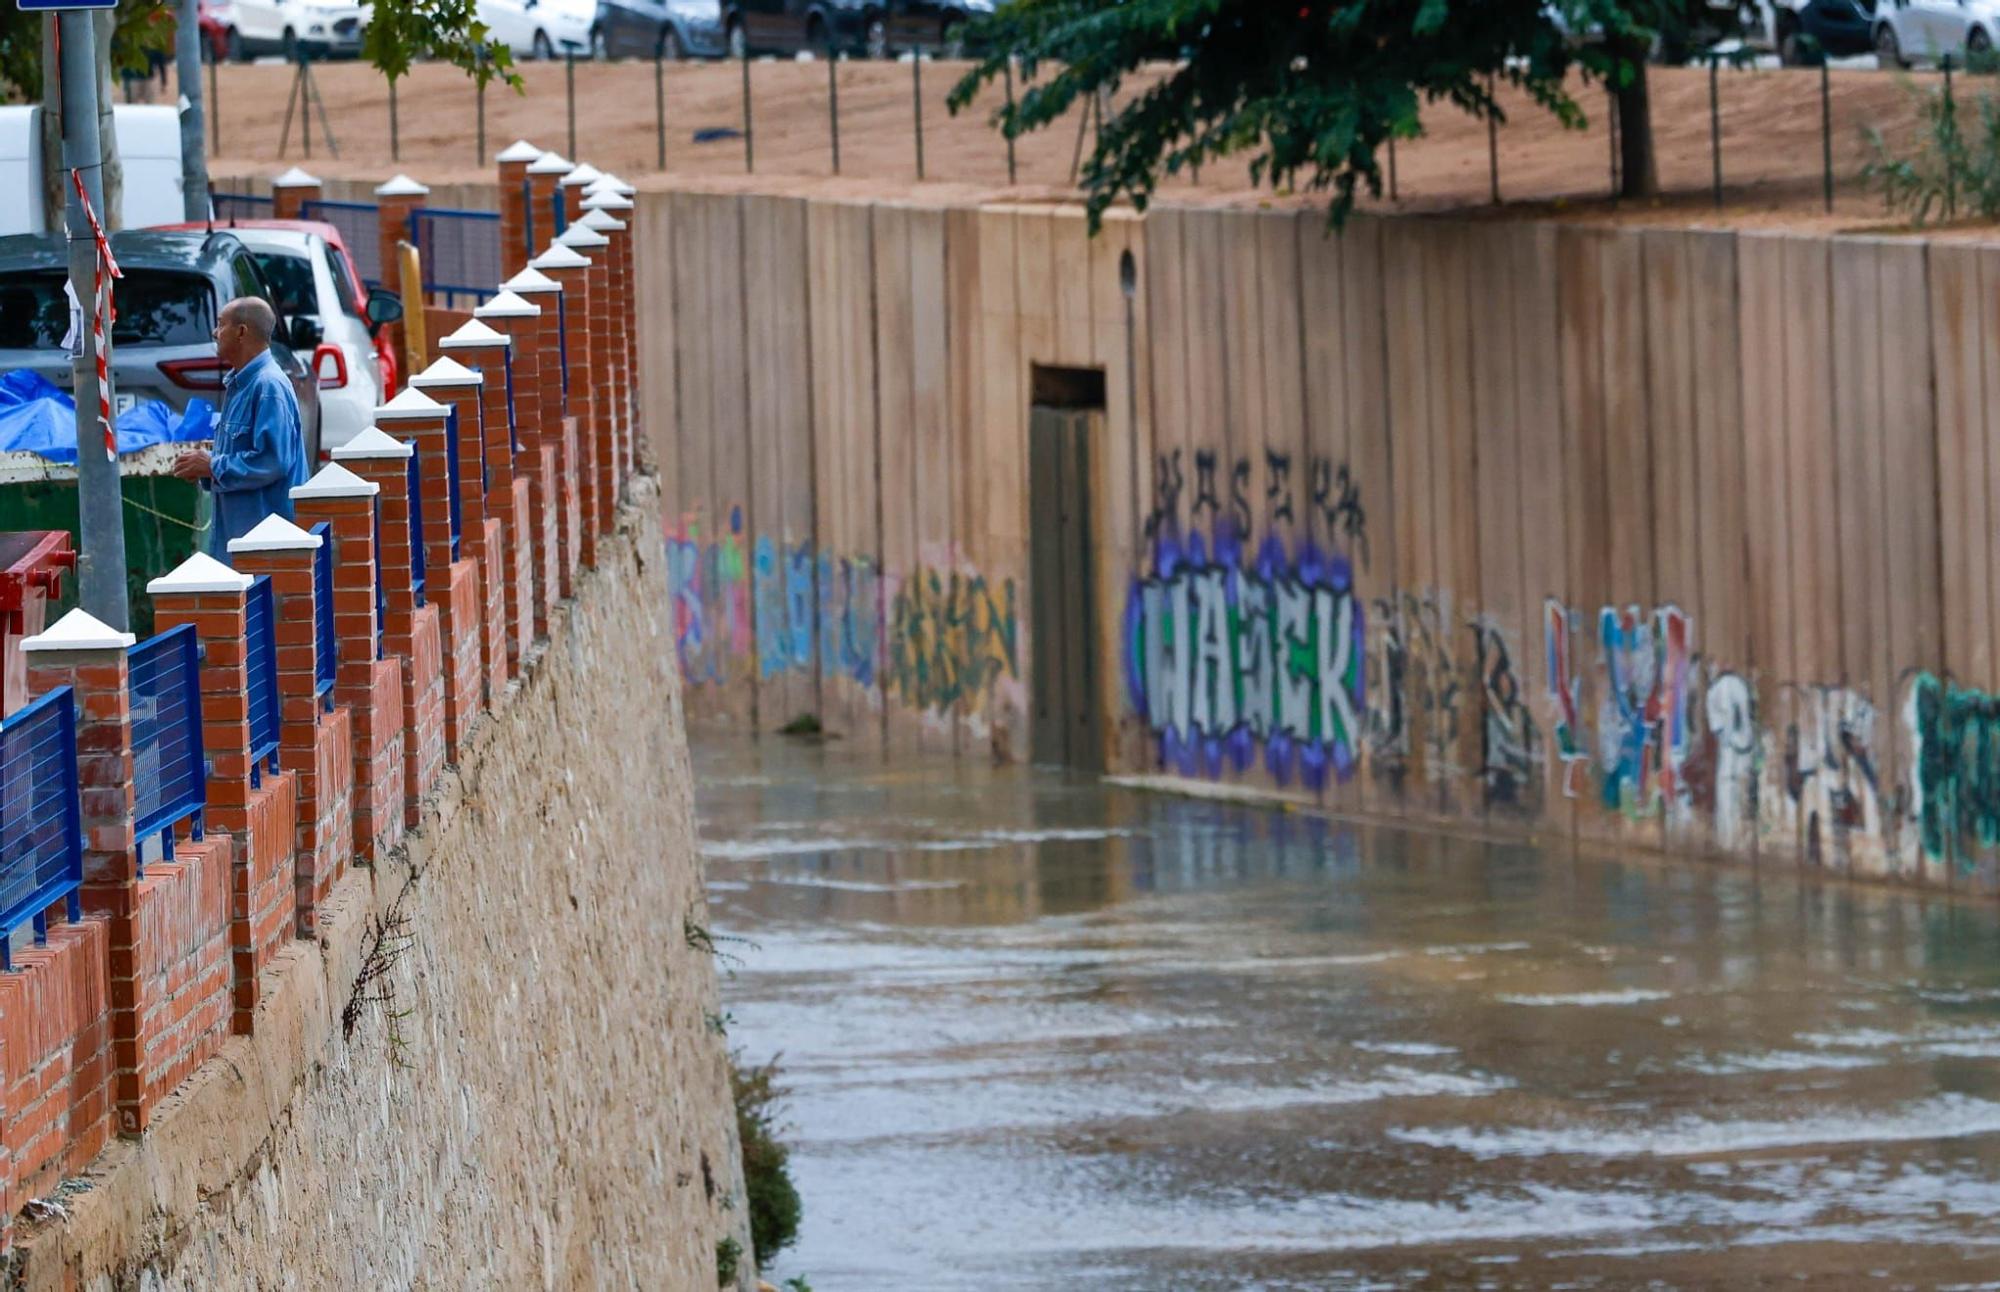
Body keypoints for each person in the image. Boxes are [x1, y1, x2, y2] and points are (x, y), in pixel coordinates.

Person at [171, 297, 309, 557]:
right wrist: (205, 469)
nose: (215, 332)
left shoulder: (268, 387)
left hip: (267, 548)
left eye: (221, 325)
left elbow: (273, 461)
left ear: (241, 332)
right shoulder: (240, 384)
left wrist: (212, 465)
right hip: (239, 541)